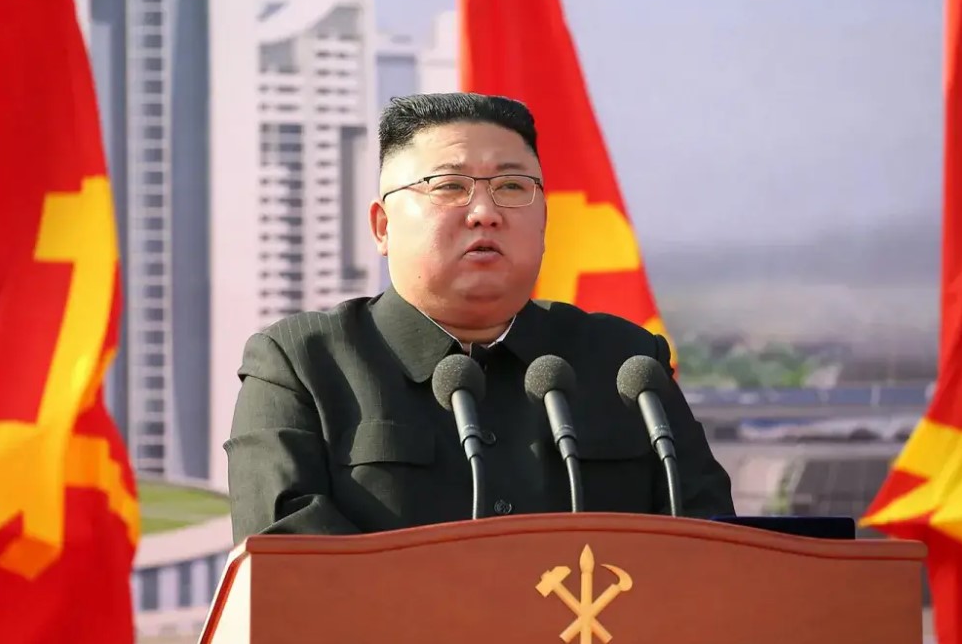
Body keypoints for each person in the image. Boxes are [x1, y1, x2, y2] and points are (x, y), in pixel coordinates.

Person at [225, 93, 734, 542]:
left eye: (512, 187)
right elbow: (286, 559)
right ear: (382, 227)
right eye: (449, 186)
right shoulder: (301, 365)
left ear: (543, 220)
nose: (485, 212)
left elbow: (713, 544)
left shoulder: (626, 364)